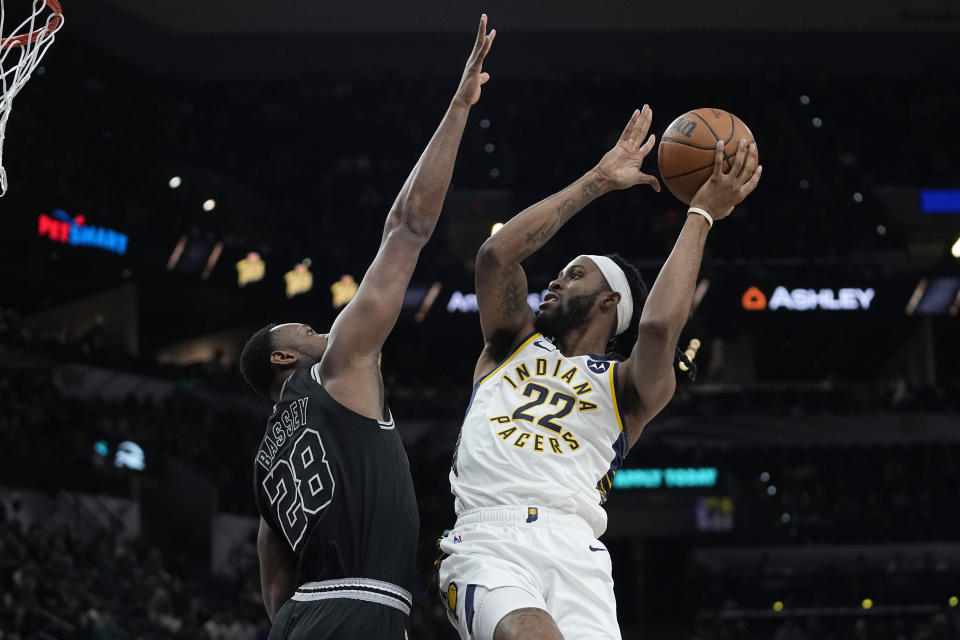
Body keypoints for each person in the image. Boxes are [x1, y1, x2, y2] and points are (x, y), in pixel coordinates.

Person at [437, 106, 761, 640]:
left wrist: (701, 215)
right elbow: (496, 256)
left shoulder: (627, 388)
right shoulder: (509, 345)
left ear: (610, 301)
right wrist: (598, 180)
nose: (555, 282)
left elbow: (658, 328)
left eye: (575, 274)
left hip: (576, 548)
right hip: (489, 539)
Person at [238, 16, 496, 639]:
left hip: (303, 620)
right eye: (300, 327)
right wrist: (459, 107)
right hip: (361, 606)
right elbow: (407, 228)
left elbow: (274, 589)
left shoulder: (263, 464)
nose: (317, 329)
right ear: (281, 359)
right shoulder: (336, 370)